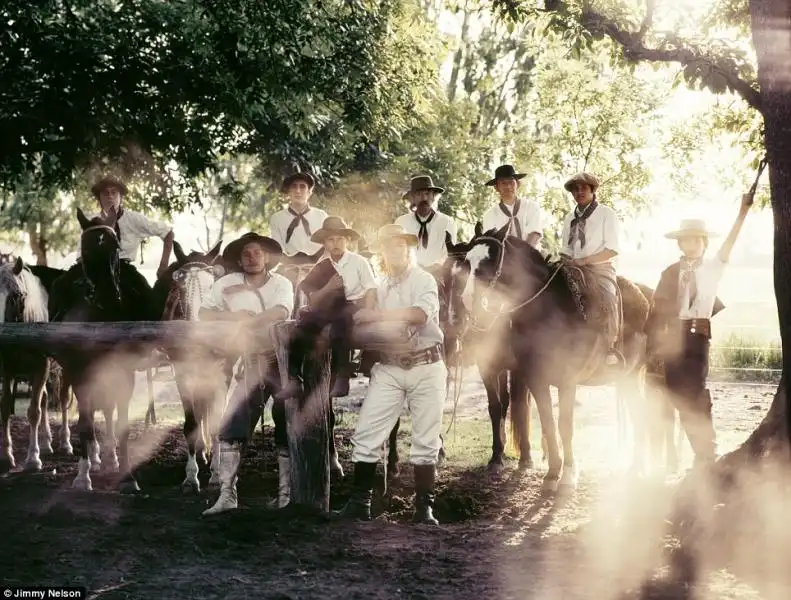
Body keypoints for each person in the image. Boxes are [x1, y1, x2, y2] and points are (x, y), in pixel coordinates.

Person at [338, 223, 447, 525]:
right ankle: (360, 503)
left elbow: (419, 315)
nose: (395, 250)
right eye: (389, 246)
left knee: (425, 440)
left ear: (409, 249)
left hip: (427, 364)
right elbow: (362, 320)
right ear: (382, 251)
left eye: (401, 245)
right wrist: (368, 311)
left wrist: (378, 314)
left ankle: (424, 509)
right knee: (366, 434)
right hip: (388, 366)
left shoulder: (423, 279)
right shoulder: (379, 285)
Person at [647, 193, 753, 469]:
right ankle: (698, 452)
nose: (690, 244)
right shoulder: (670, 272)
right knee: (675, 393)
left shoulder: (712, 267)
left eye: (696, 239)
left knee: (694, 393)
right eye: (686, 239)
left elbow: (729, 244)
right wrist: (655, 348)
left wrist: (742, 213)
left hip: (696, 338)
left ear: (704, 243)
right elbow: (657, 310)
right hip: (672, 339)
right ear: (680, 243)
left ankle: (706, 453)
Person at [199, 232, 295, 515]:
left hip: (281, 361)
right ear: (238, 259)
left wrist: (251, 321)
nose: (252, 258)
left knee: (286, 423)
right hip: (249, 361)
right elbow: (205, 313)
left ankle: (285, 495)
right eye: (246, 254)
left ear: (266, 257)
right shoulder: (226, 284)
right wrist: (233, 317)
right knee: (232, 423)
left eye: (257, 253)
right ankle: (227, 495)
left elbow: (281, 310)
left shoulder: (281, 283)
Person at [277, 216, 378, 400]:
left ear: (347, 241)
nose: (336, 243)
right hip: (326, 307)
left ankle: (342, 375)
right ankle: (294, 379)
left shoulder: (358, 262)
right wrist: (329, 287)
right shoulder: (322, 265)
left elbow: (371, 289)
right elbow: (313, 297)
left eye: (340, 239)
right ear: (324, 243)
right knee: (301, 327)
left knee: (341, 324)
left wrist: (369, 311)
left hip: (351, 305)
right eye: (331, 240)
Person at [53, 175, 174, 320]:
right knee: (59, 285)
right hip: (93, 269)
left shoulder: (133, 218)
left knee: (151, 303)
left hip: (123, 269)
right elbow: (81, 252)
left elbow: (168, 232)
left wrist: (163, 266)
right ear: (99, 198)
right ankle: (51, 327)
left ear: (120, 197)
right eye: (105, 193)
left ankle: (152, 336)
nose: (110, 196)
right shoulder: (91, 222)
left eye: (114, 193)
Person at [559, 172, 622, 365]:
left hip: (599, 268)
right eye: (575, 189)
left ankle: (609, 346)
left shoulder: (606, 214)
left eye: (584, 188)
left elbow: (612, 249)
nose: (579, 192)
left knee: (607, 298)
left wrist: (586, 260)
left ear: (592, 190)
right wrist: (565, 259)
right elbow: (566, 247)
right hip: (573, 267)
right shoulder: (570, 217)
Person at [394, 175, 457, 270]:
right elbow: (397, 251)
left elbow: (449, 253)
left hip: (439, 275)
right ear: (413, 198)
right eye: (419, 194)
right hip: (409, 274)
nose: (424, 198)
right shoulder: (401, 222)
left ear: (433, 197)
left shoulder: (447, 222)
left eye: (427, 194)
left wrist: (435, 268)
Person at [268, 172, 328, 258]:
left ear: (309, 192)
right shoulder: (277, 218)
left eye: (302, 187)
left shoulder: (321, 216)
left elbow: (327, 245)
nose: (298, 191)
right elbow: (277, 248)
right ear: (288, 192)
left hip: (317, 266)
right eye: (294, 186)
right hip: (288, 267)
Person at [481, 164, 543, 248]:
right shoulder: (489, 215)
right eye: (503, 183)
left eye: (511, 182)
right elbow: (491, 243)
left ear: (518, 184)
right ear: (496, 187)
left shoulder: (531, 207)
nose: (508, 186)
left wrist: (522, 255)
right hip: (502, 258)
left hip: (530, 256)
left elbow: (535, 235)